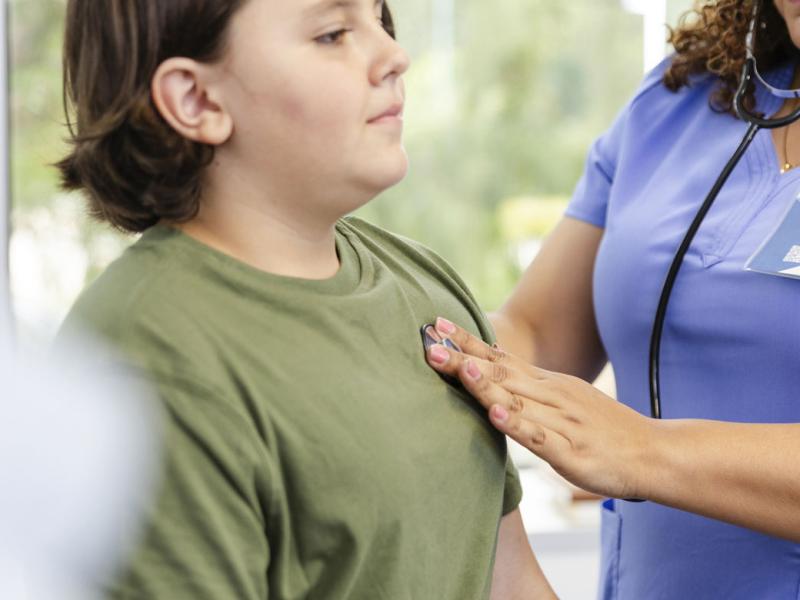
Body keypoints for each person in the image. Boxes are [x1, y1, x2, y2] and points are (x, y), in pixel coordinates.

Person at [55, 0, 557, 598]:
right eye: (332, 33)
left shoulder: (428, 288)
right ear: (198, 101)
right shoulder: (141, 354)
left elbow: (513, 582)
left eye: (380, 18)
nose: (395, 55)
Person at [423, 0, 800, 598]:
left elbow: (628, 447)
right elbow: (538, 332)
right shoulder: (683, 93)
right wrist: (429, 354)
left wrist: (644, 450)